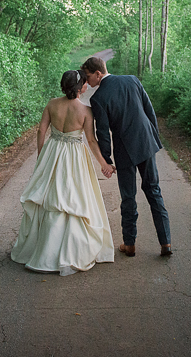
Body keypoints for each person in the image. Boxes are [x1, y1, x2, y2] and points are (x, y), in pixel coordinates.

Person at [10, 70, 115, 276]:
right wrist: (104, 164)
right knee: (73, 196)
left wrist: (41, 157)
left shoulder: (51, 104)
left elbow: (41, 131)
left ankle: (43, 249)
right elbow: (91, 141)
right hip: (74, 156)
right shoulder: (85, 110)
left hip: (53, 152)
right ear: (79, 88)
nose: (86, 86)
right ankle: (68, 251)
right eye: (84, 83)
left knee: (50, 195)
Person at [81, 56, 172, 258]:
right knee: (153, 190)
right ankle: (166, 242)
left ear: (98, 73)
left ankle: (129, 245)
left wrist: (107, 160)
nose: (87, 82)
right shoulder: (132, 79)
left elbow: (103, 133)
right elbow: (149, 111)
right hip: (146, 143)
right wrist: (153, 137)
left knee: (128, 197)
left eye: (88, 77)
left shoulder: (98, 98)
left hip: (124, 151)